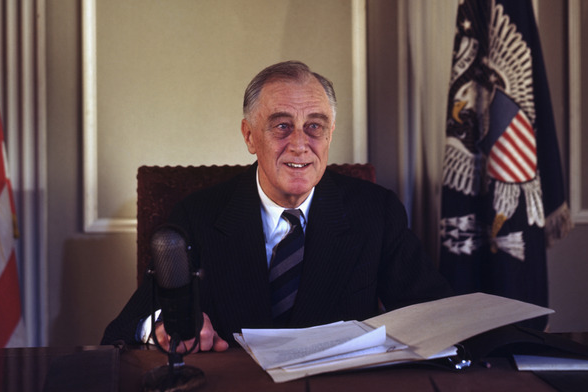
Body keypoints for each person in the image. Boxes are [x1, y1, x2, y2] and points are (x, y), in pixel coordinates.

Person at [101, 61, 452, 352]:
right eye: (282, 126)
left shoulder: (376, 211)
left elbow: (434, 314)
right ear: (250, 136)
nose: (300, 145)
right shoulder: (197, 216)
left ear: (330, 135)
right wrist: (165, 326)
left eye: (314, 126)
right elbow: (125, 326)